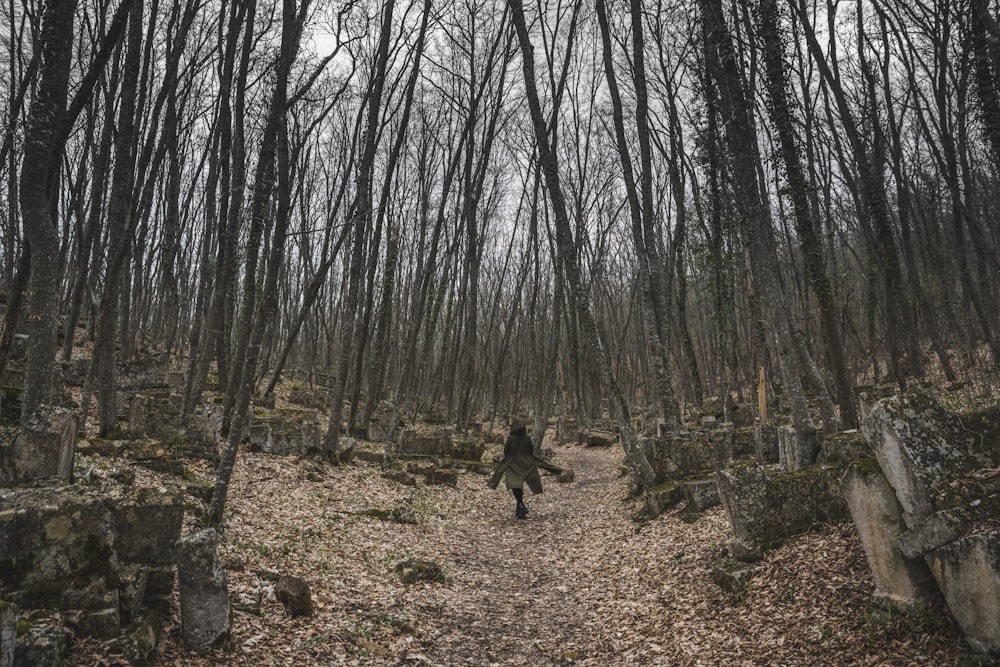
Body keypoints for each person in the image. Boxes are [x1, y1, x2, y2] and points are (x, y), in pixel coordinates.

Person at [488, 417, 565, 519]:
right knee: (518, 484)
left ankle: (520, 504)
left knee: (516, 485)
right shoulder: (526, 438)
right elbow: (530, 449)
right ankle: (520, 506)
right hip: (525, 463)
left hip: (513, 463)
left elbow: (506, 451)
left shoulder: (511, 438)